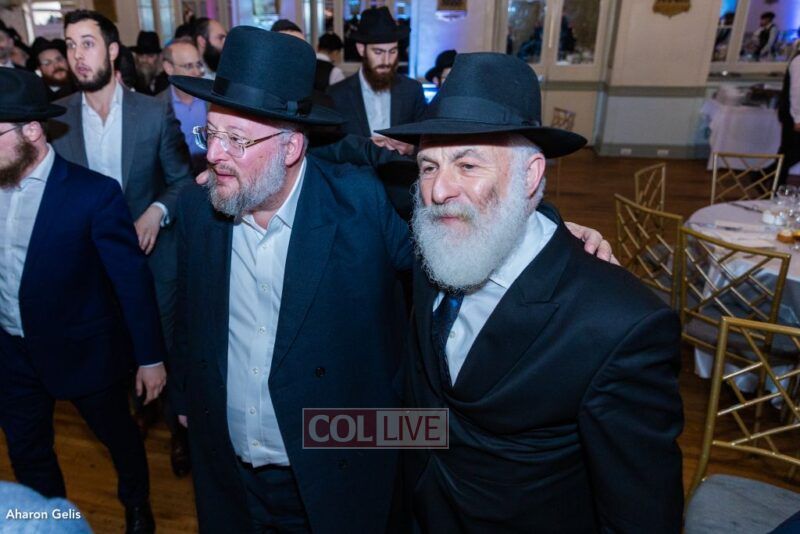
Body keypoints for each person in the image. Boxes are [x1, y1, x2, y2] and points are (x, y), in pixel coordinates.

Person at [378, 52, 684, 532]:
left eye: (468, 164)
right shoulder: (435, 247)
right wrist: (322, 432)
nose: (439, 191)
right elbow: (435, 416)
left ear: (531, 175)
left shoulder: (619, 325)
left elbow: (641, 516)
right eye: (429, 166)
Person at [168, 27, 412, 532]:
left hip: (333, 473)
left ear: (291, 148)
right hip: (228, 475)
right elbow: (188, 316)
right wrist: (187, 399)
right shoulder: (198, 207)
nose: (214, 155)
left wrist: (544, 226)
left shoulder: (361, 207)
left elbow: (458, 232)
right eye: (211, 134)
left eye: (236, 139)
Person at [0, 68, 167, 534]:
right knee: (28, 451)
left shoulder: (93, 194)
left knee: (119, 438)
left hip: (85, 351)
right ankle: (49, 521)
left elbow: (131, 282)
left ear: (32, 132)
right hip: (11, 354)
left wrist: (150, 358)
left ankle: (137, 503)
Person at [48, 10, 193, 439]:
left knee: (166, 344)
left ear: (112, 51)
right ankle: (137, 412)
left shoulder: (152, 112)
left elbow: (182, 180)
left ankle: (180, 432)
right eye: (70, 45)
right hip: (92, 262)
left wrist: (156, 211)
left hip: (153, 256)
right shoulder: (57, 118)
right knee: (116, 342)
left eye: (87, 43)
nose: (77, 55)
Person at [327, 6, 426, 138]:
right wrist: (365, 146)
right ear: (361, 49)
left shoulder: (412, 90)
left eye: (392, 51)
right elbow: (332, 145)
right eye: (378, 52)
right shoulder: (337, 94)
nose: (386, 61)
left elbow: (425, 139)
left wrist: (411, 146)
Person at [159, 37, 207, 175]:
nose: (196, 72)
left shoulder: (212, 101)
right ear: (168, 68)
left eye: (198, 65)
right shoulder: (158, 107)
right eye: (188, 66)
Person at [777, 43, 800, 185]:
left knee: (789, 155)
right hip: (793, 115)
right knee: (789, 154)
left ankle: (764, 178)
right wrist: (798, 118)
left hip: (794, 115)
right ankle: (772, 184)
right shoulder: (799, 61)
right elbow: (797, 92)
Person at [131, 30, 166, 95]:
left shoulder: (166, 81)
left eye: (150, 56)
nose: (144, 60)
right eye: (141, 55)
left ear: (159, 57)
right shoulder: (132, 82)